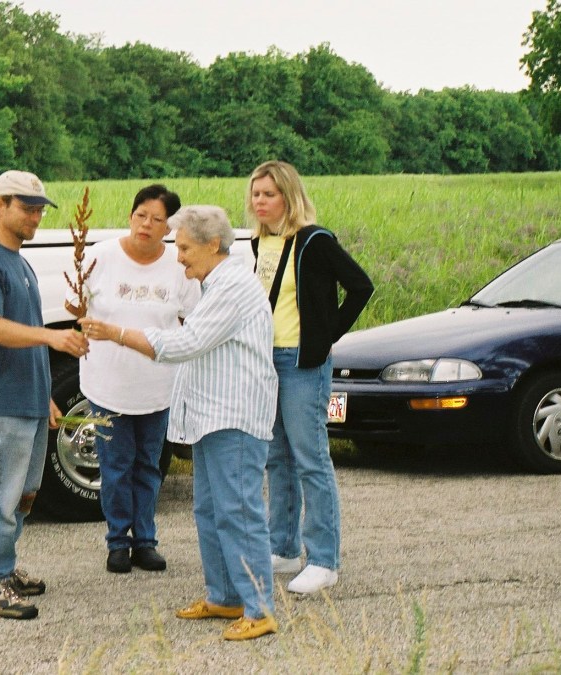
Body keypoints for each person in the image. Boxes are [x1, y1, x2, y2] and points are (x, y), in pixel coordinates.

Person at [80, 206, 279, 641]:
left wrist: (116, 333)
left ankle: (260, 608)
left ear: (212, 244)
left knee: (239, 512)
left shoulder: (232, 286)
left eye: (185, 247)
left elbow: (186, 343)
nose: (178, 256)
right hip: (212, 417)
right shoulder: (214, 283)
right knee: (210, 510)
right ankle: (225, 596)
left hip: (235, 418)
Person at [0, 170, 90, 620]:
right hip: (2, 398)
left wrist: (45, 396)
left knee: (25, 493)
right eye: (27, 207)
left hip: (28, 397)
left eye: (39, 208)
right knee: (2, 490)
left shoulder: (19, 260)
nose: (36, 216)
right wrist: (53, 339)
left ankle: (1, 566)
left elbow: (24, 341)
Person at [247, 160, 374, 595]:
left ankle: (324, 558)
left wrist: (325, 335)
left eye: (269, 194)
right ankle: (282, 549)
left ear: (288, 196)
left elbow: (361, 286)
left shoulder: (314, 241)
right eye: (255, 194)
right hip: (265, 363)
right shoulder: (257, 243)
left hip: (302, 363)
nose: (259, 201)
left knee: (310, 459)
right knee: (275, 457)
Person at [66, 185, 200, 574]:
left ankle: (146, 541)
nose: (147, 224)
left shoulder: (179, 267)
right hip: (108, 383)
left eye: (157, 220)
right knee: (115, 465)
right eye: (141, 215)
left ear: (170, 228)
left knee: (148, 465)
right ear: (130, 216)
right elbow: (78, 305)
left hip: (157, 385)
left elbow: (193, 318)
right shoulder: (100, 257)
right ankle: (117, 542)